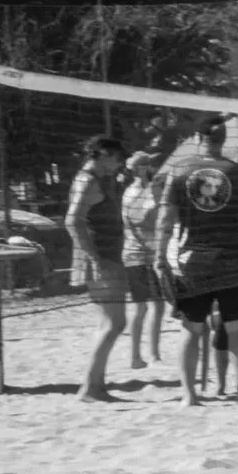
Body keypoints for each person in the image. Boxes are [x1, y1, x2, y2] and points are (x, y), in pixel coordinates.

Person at [156, 115, 238, 405]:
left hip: (193, 261)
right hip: (233, 258)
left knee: (192, 330)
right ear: (223, 141)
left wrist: (159, 256)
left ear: (196, 139)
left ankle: (189, 396)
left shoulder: (179, 171)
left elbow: (165, 220)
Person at [65, 135, 130, 402]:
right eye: (116, 160)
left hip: (105, 255)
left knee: (109, 323)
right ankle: (90, 388)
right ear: (103, 154)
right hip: (101, 257)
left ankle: (97, 386)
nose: (117, 166)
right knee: (115, 323)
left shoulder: (96, 179)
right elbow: (71, 221)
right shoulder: (88, 180)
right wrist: (94, 258)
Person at [120, 152, 167, 371]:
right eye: (149, 164)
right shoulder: (137, 193)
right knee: (153, 306)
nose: (153, 167)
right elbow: (143, 223)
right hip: (142, 254)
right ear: (141, 169)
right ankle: (149, 355)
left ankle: (138, 356)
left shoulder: (142, 190)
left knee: (145, 307)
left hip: (137, 253)